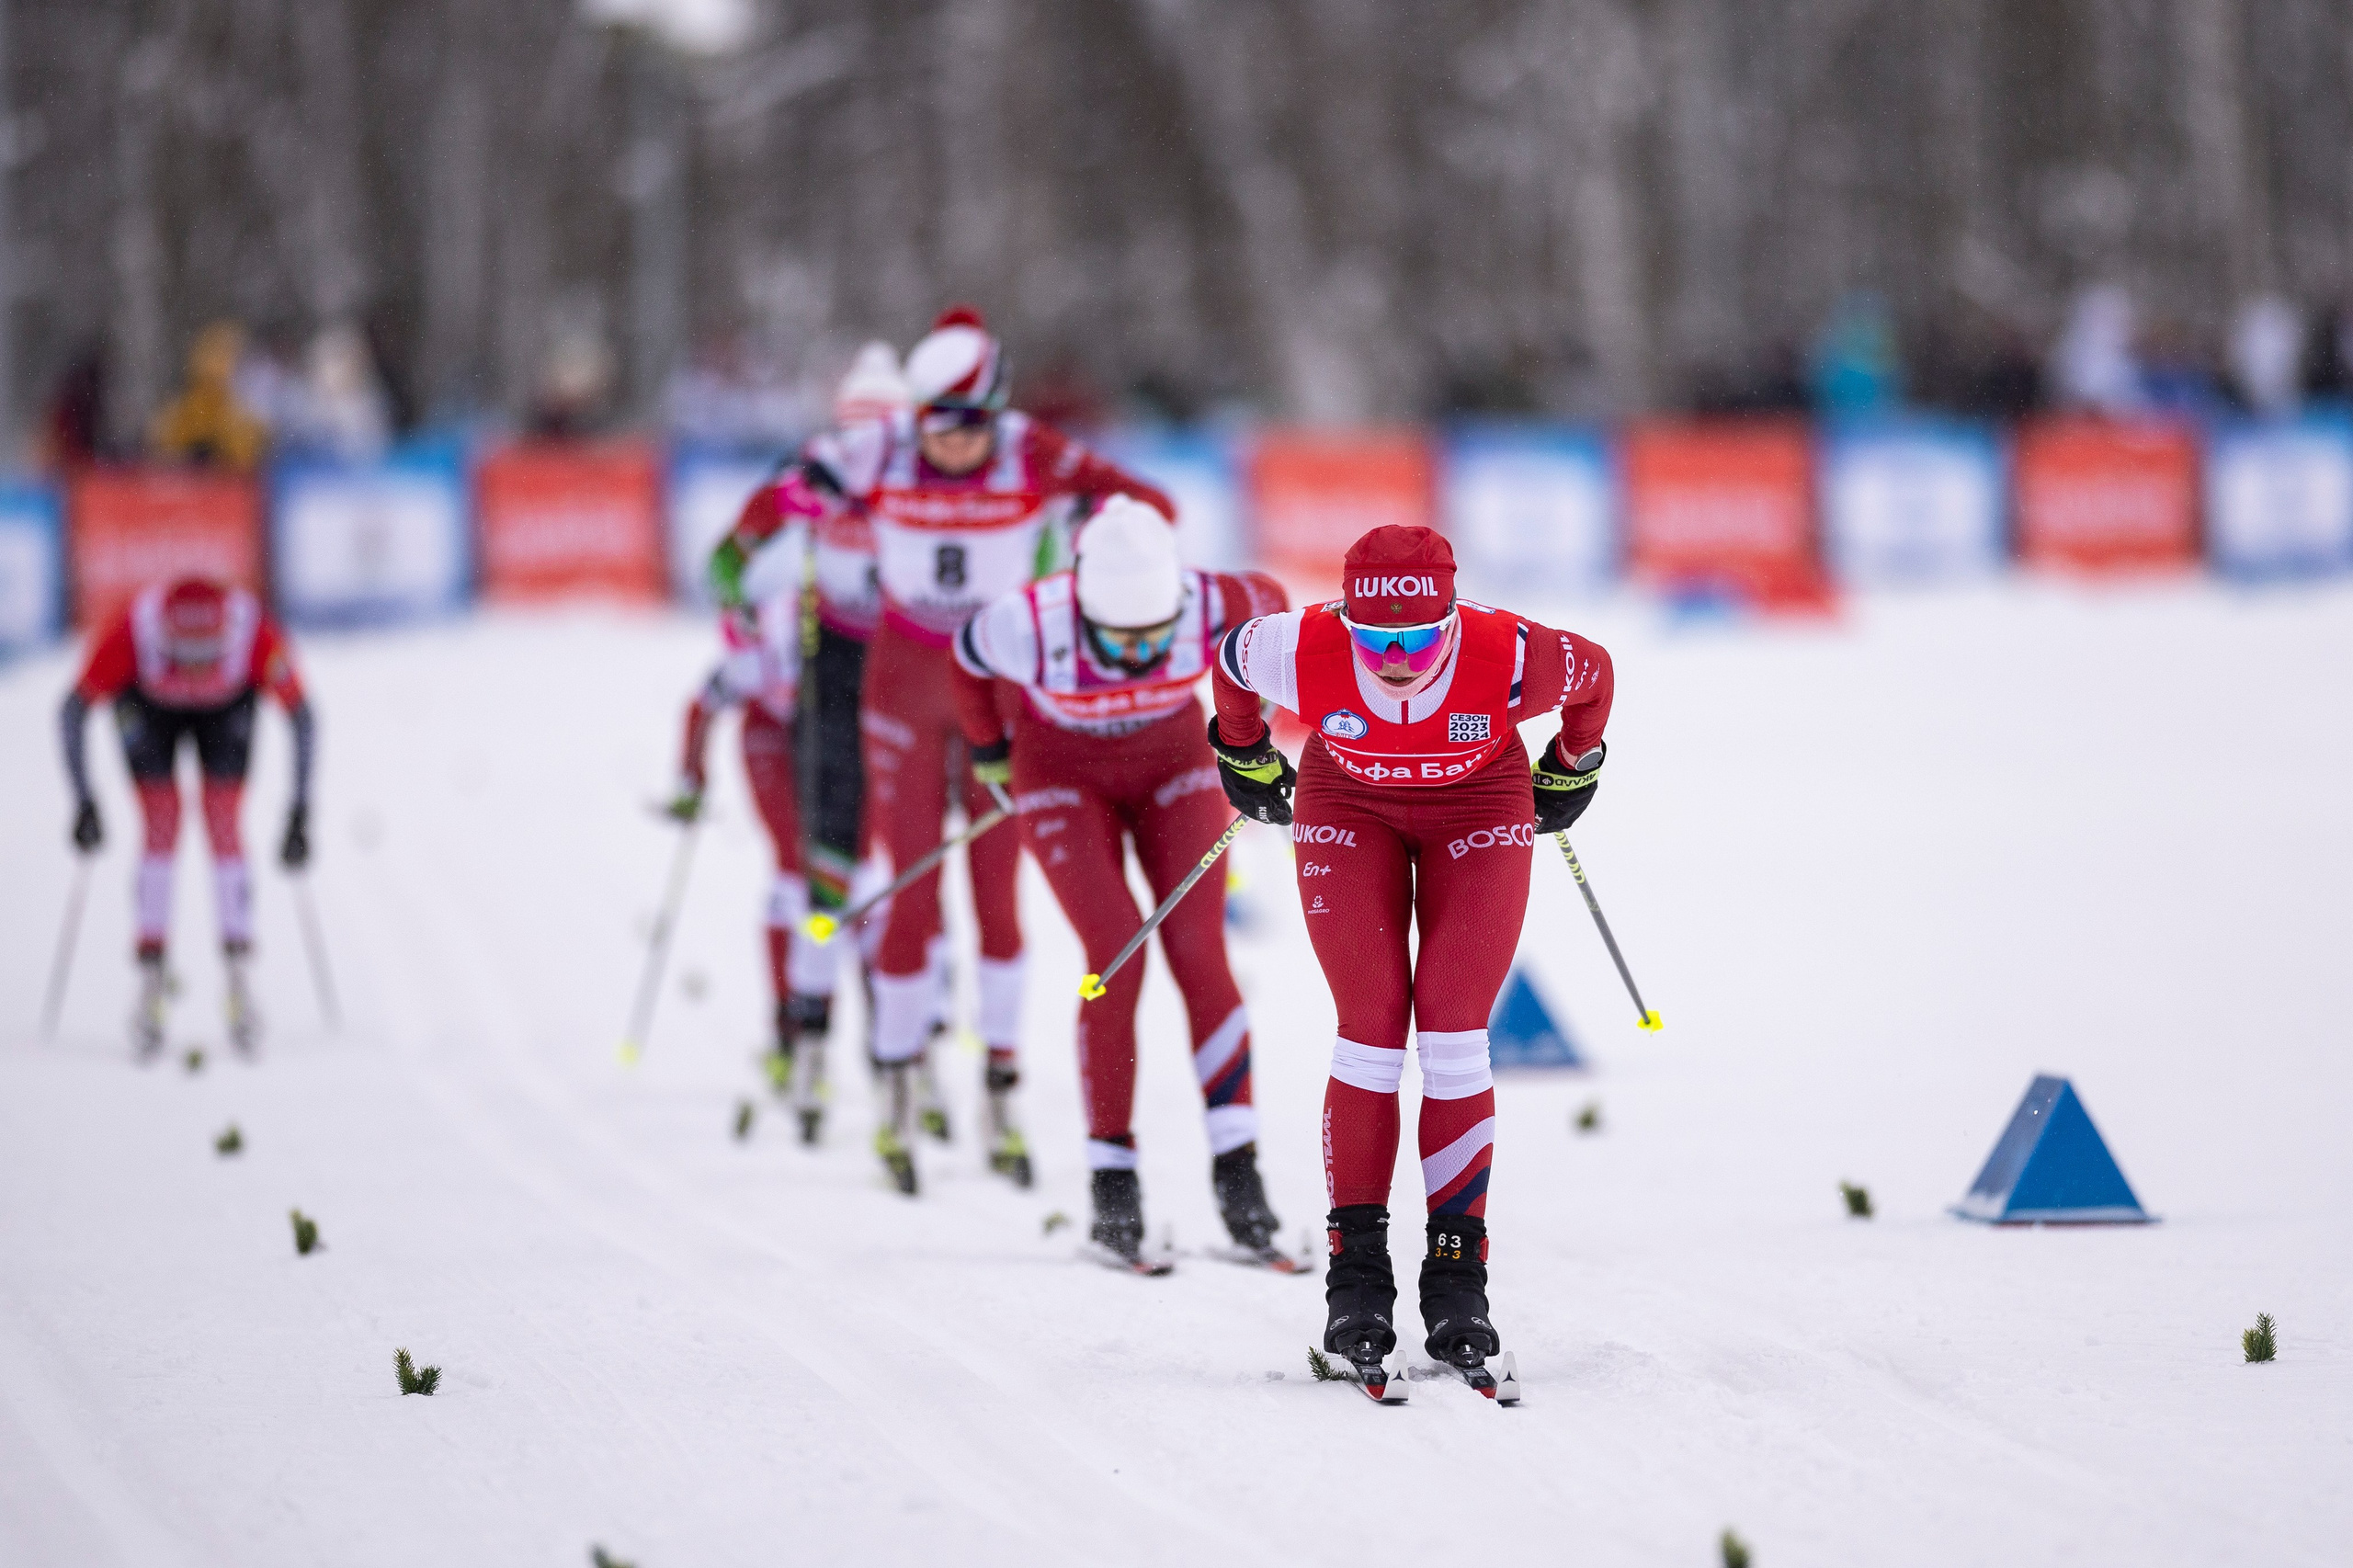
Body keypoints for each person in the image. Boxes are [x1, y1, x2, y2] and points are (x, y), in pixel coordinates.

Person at [710, 306, 1174, 1195]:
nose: (947, 445)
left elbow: (1151, 507)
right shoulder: (881, 451)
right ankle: (895, 1084)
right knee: (912, 888)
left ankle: (998, 1085)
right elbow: (766, 510)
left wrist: (1092, 568)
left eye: (966, 426)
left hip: (999, 693)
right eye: (932, 424)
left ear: (995, 413)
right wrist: (762, 539)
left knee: (999, 897)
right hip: (902, 687)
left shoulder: (1031, 450)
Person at [1207, 525, 1612, 1378]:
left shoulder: (1512, 654)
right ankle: (1356, 1275)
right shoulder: (1296, 645)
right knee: (1371, 1027)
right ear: (1345, 616)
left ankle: (1459, 1277)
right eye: (1375, 636)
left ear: (1451, 616)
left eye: (1420, 636)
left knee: (1455, 1033)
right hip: (1347, 806)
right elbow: (1231, 662)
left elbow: (1598, 675)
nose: (1395, 655)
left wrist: (1571, 765)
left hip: (1480, 806)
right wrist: (1240, 751)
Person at [952, 496, 1290, 1268]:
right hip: (1062, 774)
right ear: (1082, 602)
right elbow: (966, 661)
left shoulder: (1212, 599)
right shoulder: (1027, 620)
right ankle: (1112, 1183)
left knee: (1200, 954)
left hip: (1174, 762)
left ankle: (1240, 1177)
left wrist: (1255, 725)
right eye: (1119, 636)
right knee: (1115, 954)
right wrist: (988, 750)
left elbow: (1278, 613)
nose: (1139, 651)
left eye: (1155, 634)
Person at [60, 577, 316, 1056]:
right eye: (186, 656)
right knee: (161, 822)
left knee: (223, 820)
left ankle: (239, 978)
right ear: (164, 638)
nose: (197, 669)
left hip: (228, 710)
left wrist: (299, 811)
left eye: (208, 656)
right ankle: (151, 979)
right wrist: (83, 800)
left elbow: (302, 713)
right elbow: (73, 709)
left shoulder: (253, 633)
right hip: (146, 709)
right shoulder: (133, 632)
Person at [665, 575, 834, 1138]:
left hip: (832, 738)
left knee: (847, 874)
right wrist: (691, 779)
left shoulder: (852, 627)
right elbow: (701, 706)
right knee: (794, 868)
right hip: (772, 737)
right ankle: (789, 1023)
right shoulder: (757, 652)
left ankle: (881, 1029)